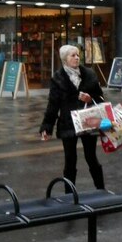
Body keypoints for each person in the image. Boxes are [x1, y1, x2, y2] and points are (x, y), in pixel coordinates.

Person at [39, 44, 105, 189]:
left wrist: (90, 97)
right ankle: (69, 195)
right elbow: (53, 104)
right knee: (70, 160)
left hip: (88, 121)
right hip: (68, 123)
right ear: (64, 59)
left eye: (77, 55)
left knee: (91, 157)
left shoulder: (89, 74)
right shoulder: (58, 78)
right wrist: (47, 126)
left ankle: (101, 189)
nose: (76, 58)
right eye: (72, 55)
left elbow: (100, 97)